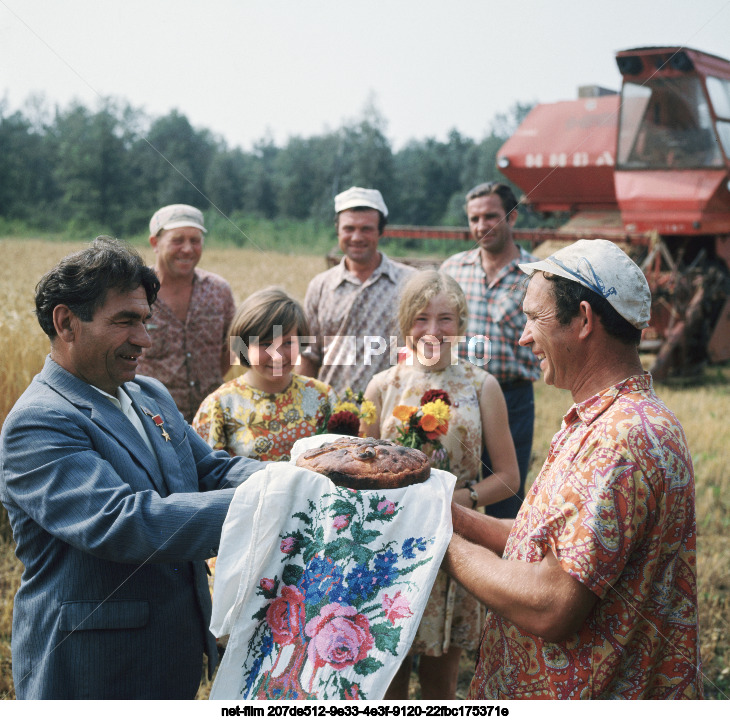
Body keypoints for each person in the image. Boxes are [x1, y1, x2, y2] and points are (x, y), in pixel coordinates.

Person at [0, 237, 266, 700]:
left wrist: (298, 477)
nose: (144, 339)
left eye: (145, 320)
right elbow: (123, 524)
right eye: (125, 321)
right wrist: (272, 502)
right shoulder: (39, 422)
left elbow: (211, 472)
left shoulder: (149, 395)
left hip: (171, 649)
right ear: (66, 323)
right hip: (92, 668)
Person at [444, 239, 702, 699]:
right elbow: (545, 544)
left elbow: (551, 606)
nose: (523, 336)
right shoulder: (606, 419)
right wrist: (451, 517)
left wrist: (436, 543)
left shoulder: (620, 440)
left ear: (583, 319)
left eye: (534, 318)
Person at [361, 270, 519, 700]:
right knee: (383, 672)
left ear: (462, 325)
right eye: (421, 319)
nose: (433, 330)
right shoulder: (381, 387)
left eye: (445, 319)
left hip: (456, 542)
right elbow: (362, 477)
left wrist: (458, 502)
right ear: (405, 324)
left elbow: (508, 478)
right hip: (390, 546)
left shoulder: (482, 386)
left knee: (440, 683)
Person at [441, 182, 540, 518]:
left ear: (512, 218)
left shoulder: (538, 274)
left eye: (491, 216)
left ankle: (505, 566)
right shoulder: (453, 270)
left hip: (512, 398)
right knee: (451, 490)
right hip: (456, 394)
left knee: (506, 495)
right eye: (474, 218)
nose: (482, 226)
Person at [193, 287, 336, 462]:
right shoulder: (219, 406)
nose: (277, 356)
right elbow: (205, 473)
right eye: (265, 344)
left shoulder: (323, 397)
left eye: (288, 343)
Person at [298, 186, 415, 394]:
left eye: (366, 229)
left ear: (381, 231)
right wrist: (305, 409)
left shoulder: (410, 282)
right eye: (349, 228)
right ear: (338, 231)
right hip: (330, 412)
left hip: (393, 412)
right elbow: (309, 355)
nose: (357, 237)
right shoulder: (320, 286)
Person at [137, 204, 235, 423]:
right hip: (152, 420)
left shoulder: (219, 290)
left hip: (211, 419)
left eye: (195, 240)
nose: (188, 249)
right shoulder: (135, 292)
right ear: (155, 243)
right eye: (177, 240)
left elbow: (237, 345)